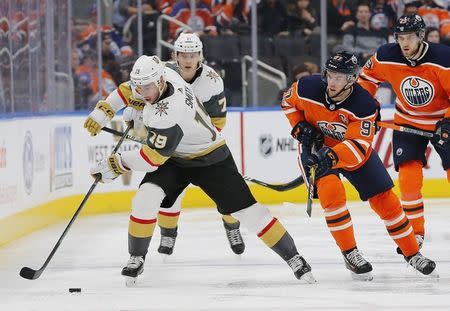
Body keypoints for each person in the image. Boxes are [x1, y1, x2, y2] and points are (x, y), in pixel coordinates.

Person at [85, 55, 316, 285]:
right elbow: (128, 90)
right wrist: (104, 110)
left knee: (251, 213)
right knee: (145, 198)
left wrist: (116, 163)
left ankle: (294, 257)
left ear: (160, 82)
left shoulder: (167, 112)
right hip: (175, 158)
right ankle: (136, 256)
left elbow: (152, 158)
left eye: (147, 87)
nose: (143, 92)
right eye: (140, 86)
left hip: (210, 157)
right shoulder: (165, 74)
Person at [281, 51, 438, 280]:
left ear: (352, 79)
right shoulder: (306, 87)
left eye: (339, 77)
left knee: (387, 201)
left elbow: (357, 149)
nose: (332, 82)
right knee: (332, 194)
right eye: (330, 75)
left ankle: (412, 253)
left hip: (348, 151)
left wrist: (332, 157)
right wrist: (299, 126)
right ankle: (350, 253)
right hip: (317, 149)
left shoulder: (363, 104)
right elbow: (287, 103)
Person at [358, 14, 450, 254]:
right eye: (400, 37)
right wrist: (366, 111)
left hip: (443, 122)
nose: (404, 42)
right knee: (408, 179)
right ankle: (415, 233)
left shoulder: (443, 58)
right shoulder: (386, 56)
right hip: (407, 121)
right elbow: (366, 81)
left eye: (409, 37)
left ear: (420, 36)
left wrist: (448, 120)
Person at [156, 32, 245, 256]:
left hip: (206, 148)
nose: (188, 60)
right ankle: (168, 234)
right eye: (183, 54)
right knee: (166, 196)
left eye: (193, 54)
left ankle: (232, 227)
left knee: (229, 193)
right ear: (175, 55)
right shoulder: (161, 74)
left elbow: (218, 123)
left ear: (200, 56)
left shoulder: (212, 81)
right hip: (172, 150)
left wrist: (191, 139)